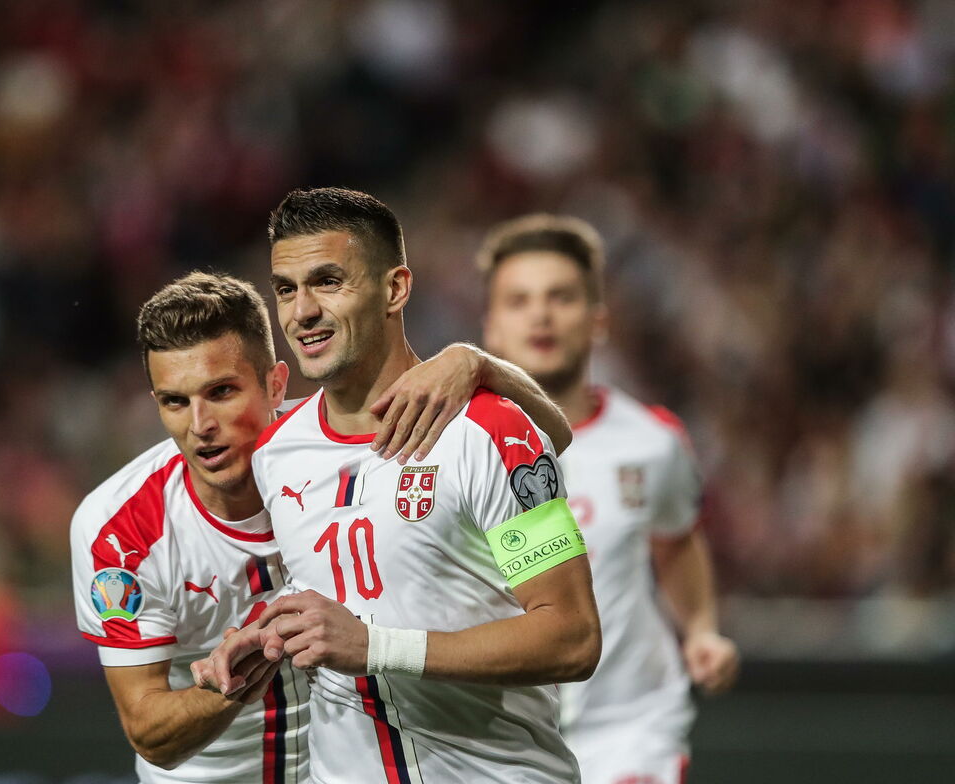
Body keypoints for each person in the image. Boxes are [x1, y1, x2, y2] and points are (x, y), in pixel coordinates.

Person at [71, 271, 574, 784]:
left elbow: (545, 440)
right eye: (174, 401)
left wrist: (478, 363)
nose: (199, 425)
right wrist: (234, 683)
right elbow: (150, 734)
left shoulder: (331, 450)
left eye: (221, 392)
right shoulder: (121, 529)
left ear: (276, 384)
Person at [195, 188, 601, 784]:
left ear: (394, 289)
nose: (301, 311)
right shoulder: (277, 453)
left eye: (327, 282)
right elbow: (340, 594)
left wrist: (376, 648)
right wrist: (264, 635)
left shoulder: (490, 431)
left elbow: (572, 636)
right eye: (285, 288)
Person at [478, 214, 741, 784]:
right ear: (491, 328)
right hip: (498, 738)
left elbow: (676, 541)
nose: (541, 315)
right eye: (519, 301)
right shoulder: (451, 452)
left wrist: (700, 628)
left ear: (598, 319)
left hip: (628, 730)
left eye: (561, 297)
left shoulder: (654, 442)